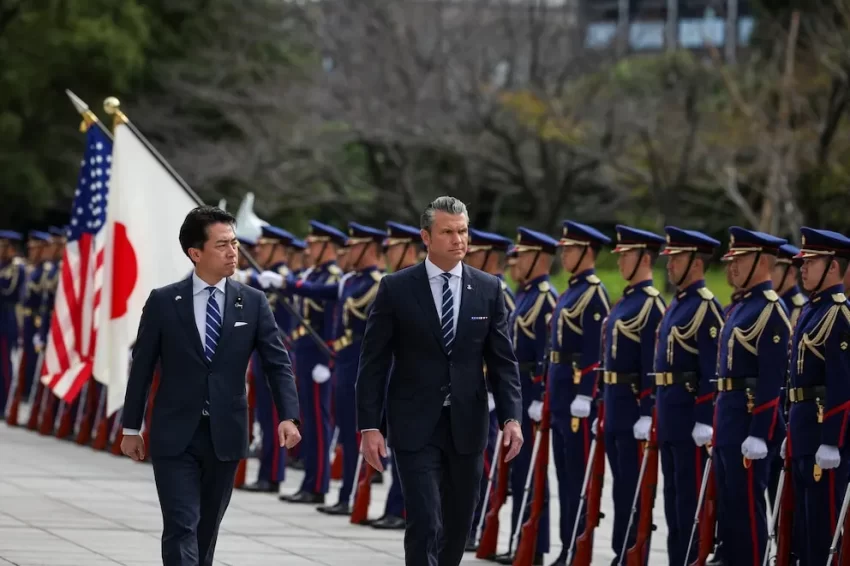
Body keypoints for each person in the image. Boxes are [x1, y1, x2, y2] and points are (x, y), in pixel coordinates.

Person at [120, 206, 301, 566]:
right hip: (175, 433)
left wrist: (289, 416)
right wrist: (130, 427)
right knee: (181, 525)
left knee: (206, 531)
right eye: (222, 245)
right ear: (196, 253)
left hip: (226, 433)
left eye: (234, 243)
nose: (233, 252)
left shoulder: (252, 302)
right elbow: (141, 369)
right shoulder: (163, 302)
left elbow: (277, 363)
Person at [356, 196, 524, 566]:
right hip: (414, 424)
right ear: (426, 237)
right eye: (448, 232)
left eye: (462, 231)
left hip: (467, 423)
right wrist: (370, 426)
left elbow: (502, 362)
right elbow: (373, 363)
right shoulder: (396, 288)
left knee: (460, 520)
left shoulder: (488, 289)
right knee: (425, 518)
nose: (458, 240)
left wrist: (512, 418)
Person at [715, 227, 791, 566]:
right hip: (729, 418)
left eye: (740, 259)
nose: (732, 267)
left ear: (762, 261)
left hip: (748, 422)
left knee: (747, 506)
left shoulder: (770, 310)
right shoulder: (740, 307)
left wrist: (760, 431)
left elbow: (771, 378)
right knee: (729, 506)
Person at [655, 227, 724, 566]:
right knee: (672, 501)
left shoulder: (706, 307)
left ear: (696, 263)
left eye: (677, 258)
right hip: (670, 413)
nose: (669, 265)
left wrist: (703, 418)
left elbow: (711, 370)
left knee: (691, 504)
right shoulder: (678, 303)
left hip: (689, 419)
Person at [547, 220, 610, 566]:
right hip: (559, 395)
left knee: (576, 478)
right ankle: (565, 545)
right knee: (563, 476)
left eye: (570, 249)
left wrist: (586, 393)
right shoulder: (570, 290)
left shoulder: (593, 293)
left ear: (588, 251)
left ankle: (577, 547)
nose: (565, 254)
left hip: (576, 400)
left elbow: (591, 351)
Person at [602, 225, 667, 564]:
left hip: (632, 407)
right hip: (614, 403)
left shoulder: (651, 304)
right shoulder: (626, 301)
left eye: (626, 255)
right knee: (619, 486)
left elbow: (649, 363)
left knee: (633, 485)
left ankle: (632, 551)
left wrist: (646, 409)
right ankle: (620, 549)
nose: (620, 262)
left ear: (644, 258)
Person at [786, 227, 850, 565]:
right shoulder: (811, 310)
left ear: (834, 267)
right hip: (803, 428)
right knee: (802, 529)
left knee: (823, 529)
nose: (803, 268)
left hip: (824, 433)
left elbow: (842, 383)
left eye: (812, 262)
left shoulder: (840, 314)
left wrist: (833, 440)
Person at [496, 226, 559, 566]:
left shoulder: (545, 298)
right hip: (515, 396)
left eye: (520, 256)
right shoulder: (524, 296)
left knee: (532, 474)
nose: (514, 263)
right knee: (518, 473)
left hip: (530, 398)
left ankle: (534, 545)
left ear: (539, 258)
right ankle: (520, 540)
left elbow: (546, 356)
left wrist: (538, 396)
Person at [279, 220, 347, 504]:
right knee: (307, 419)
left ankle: (318, 484)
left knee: (319, 422)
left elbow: (334, 320)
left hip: (319, 358)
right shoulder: (314, 274)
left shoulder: (332, 277)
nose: (308, 249)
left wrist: (327, 358)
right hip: (304, 355)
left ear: (327, 247)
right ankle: (310, 480)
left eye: (314, 244)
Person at [368, 220, 424, 530]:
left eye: (393, 248)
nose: (387, 253)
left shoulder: (417, 286)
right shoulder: (395, 284)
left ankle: (403, 509)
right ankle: (396, 506)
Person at [464, 227, 517, 551]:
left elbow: (502, 353)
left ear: (489, 256)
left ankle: (478, 525)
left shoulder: (500, 294)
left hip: (488, 395)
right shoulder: (476, 289)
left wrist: (497, 392)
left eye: (473, 253)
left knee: (482, 465)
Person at [239, 225, 297, 493]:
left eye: (264, 246)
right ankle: (266, 472)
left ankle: (273, 475)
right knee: (264, 415)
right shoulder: (262, 277)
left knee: (275, 416)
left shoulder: (285, 278)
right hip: (260, 355)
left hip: (278, 356)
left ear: (277, 248)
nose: (258, 250)